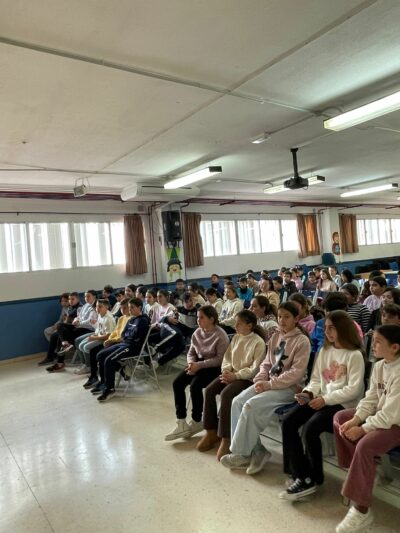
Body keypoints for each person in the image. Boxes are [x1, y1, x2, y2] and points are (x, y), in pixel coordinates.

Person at [279, 310, 365, 500]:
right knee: (289, 421)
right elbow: (316, 380)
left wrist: (325, 399)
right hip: (322, 399)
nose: (327, 332)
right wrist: (308, 393)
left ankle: (313, 478)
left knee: (311, 428)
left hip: (344, 405)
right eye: (326, 328)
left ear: (343, 328)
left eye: (332, 328)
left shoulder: (354, 355)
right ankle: (299, 473)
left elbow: (354, 390)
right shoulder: (325, 351)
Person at [220, 302, 310, 475]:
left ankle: (242, 454)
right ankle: (258, 450)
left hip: (290, 388)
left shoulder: (302, 341)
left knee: (250, 405)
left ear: (296, 318)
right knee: (237, 402)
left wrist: (269, 384)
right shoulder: (275, 336)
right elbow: (267, 363)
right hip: (269, 383)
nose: (282, 320)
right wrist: (261, 378)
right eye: (280, 316)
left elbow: (296, 373)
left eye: (287, 317)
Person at [333, 325, 400, 533]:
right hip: (383, 417)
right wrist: (356, 419)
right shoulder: (379, 366)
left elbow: (391, 415)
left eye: (378, 342)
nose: (373, 345)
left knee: (365, 445)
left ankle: (361, 510)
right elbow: (371, 398)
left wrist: (363, 429)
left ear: (395, 347)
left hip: (396, 423)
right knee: (340, 418)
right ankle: (360, 474)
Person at [198, 310, 266, 460]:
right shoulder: (236, 337)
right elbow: (227, 358)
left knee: (226, 395)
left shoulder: (258, 342)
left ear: (249, 325)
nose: (235, 326)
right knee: (209, 390)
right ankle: (211, 431)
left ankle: (226, 437)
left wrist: (236, 375)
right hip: (231, 374)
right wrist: (226, 370)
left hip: (246, 379)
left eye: (239, 324)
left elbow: (254, 368)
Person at [164, 306, 229, 441]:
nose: (198, 320)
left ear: (211, 319)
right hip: (197, 364)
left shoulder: (220, 335)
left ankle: (197, 420)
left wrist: (198, 366)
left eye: (201, 317)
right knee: (177, 383)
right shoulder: (197, 332)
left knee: (195, 385)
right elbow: (191, 352)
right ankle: (181, 421)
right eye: (198, 317)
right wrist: (191, 364)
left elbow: (220, 359)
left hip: (214, 367)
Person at [92, 298, 150, 401]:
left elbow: (135, 336)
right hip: (124, 343)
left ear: (139, 308)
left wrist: (128, 335)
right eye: (129, 307)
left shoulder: (143, 320)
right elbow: (124, 334)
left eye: (132, 307)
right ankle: (117, 371)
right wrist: (129, 335)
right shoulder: (131, 320)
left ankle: (110, 389)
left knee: (109, 360)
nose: (130, 310)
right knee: (100, 355)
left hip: (133, 347)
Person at [83, 298, 131, 389]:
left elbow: (123, 336)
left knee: (100, 354)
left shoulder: (131, 319)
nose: (122, 310)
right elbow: (115, 332)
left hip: (120, 343)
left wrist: (111, 340)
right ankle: (94, 376)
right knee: (93, 351)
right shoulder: (121, 318)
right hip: (112, 340)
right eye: (121, 308)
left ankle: (105, 380)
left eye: (125, 308)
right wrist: (110, 339)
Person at [47, 290, 98, 373]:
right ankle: (64, 344)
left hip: (88, 329)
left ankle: (60, 362)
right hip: (79, 326)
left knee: (61, 334)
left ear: (94, 296)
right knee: (60, 326)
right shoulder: (85, 305)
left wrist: (79, 323)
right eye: (85, 296)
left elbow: (91, 321)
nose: (86, 298)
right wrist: (76, 320)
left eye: (88, 296)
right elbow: (79, 316)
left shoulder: (96, 305)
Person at [38, 292, 81, 366]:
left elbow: (77, 322)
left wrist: (63, 324)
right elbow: (63, 320)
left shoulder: (80, 308)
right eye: (70, 299)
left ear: (78, 299)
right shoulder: (70, 308)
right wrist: (58, 325)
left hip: (74, 329)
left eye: (72, 299)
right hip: (66, 328)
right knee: (54, 335)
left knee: (58, 333)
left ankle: (59, 355)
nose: (70, 301)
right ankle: (51, 357)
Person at [76, 299, 116, 376]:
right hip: (98, 335)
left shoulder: (108, 318)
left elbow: (108, 335)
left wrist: (95, 338)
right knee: (81, 345)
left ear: (106, 307)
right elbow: (98, 328)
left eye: (100, 307)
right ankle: (88, 365)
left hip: (105, 339)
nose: (97, 308)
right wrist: (94, 335)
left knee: (86, 347)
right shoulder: (100, 314)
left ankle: (92, 365)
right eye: (97, 306)